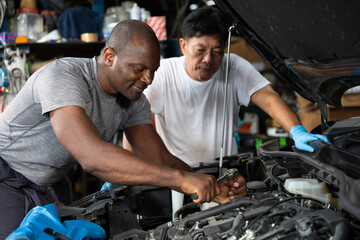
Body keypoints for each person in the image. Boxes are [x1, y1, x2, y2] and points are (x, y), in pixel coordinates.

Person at [0, 20, 246, 239]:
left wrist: (210, 186)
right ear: (109, 56)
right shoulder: (63, 77)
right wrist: (181, 181)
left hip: (51, 183)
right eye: (139, 69)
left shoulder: (134, 99)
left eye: (153, 71)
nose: (149, 79)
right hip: (8, 177)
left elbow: (159, 157)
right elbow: (91, 156)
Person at [123, 6, 331, 168]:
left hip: (226, 171)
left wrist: (297, 131)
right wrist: (127, 167)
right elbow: (134, 122)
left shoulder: (234, 65)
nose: (208, 59)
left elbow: (268, 98)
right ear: (183, 46)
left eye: (217, 51)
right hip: (177, 175)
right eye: (200, 50)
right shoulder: (163, 74)